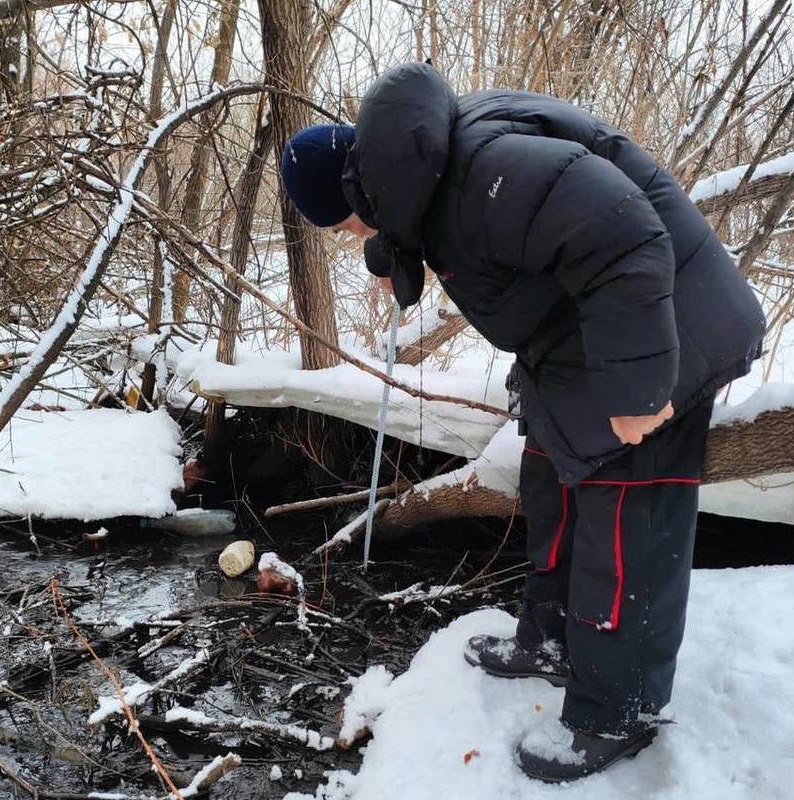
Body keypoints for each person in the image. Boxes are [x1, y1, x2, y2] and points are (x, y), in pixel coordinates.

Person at [279, 62, 765, 783]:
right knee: (548, 474)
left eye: (345, 225)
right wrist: (394, 255)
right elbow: (459, 230)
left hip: (667, 331)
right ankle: (553, 639)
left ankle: (617, 710)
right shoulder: (421, 166)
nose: (351, 235)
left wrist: (636, 391)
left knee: (626, 515)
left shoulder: (482, 173)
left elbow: (624, 236)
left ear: (354, 194)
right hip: (584, 334)